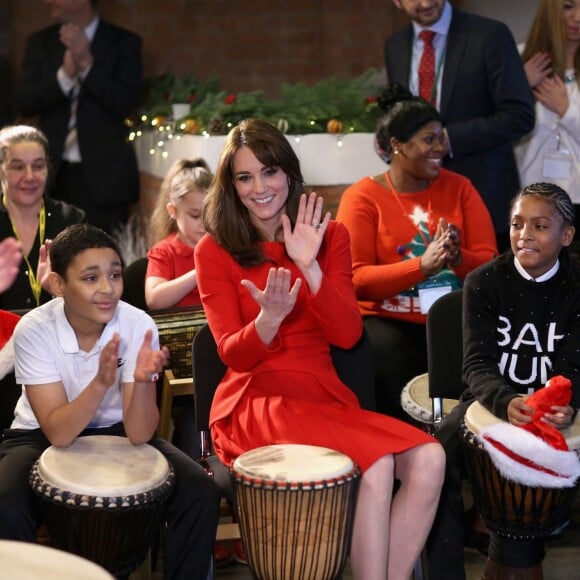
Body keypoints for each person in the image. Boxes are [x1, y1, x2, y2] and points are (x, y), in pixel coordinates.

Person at [194, 118, 445, 580]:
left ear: (289, 173)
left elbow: (349, 335)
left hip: (323, 396)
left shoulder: (331, 238)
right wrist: (267, 319)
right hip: (256, 400)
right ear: (231, 185)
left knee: (430, 458)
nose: (259, 188)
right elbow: (232, 354)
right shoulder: (214, 250)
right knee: (377, 464)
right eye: (244, 177)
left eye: (269, 172)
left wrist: (309, 267)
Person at [0, 223, 220, 580]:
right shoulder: (35, 329)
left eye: (115, 275)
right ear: (58, 284)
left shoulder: (137, 324)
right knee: (6, 506)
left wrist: (139, 380)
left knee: (200, 493)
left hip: (119, 431)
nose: (108, 289)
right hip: (37, 433)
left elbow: (138, 433)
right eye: (90, 278)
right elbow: (58, 431)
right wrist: (102, 382)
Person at [429, 182, 580, 579]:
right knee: (433, 457)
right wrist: (505, 400)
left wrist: (568, 401)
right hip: (488, 402)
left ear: (566, 236)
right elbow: (476, 364)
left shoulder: (577, 285)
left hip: (557, 409)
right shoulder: (483, 282)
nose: (525, 234)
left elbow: (574, 366)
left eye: (540, 225)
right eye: (517, 224)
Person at [336, 84, 497, 420]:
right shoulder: (362, 197)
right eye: (429, 139)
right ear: (397, 145)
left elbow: (490, 263)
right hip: (387, 320)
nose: (440, 147)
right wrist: (421, 266)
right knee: (385, 354)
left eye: (441, 138)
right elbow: (355, 277)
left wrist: (457, 258)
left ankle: (462, 455)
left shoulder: (460, 187)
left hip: (453, 317)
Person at [385, 0, 535, 252]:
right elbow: (402, 116)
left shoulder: (490, 35)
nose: (425, 3)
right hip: (421, 211)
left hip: (484, 201)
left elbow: (520, 115)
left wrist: (447, 139)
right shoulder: (395, 46)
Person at [16, 0, 141, 235]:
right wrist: (64, 76)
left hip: (105, 178)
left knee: (102, 258)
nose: (48, 1)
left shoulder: (124, 42)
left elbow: (126, 103)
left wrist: (87, 64)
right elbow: (25, 103)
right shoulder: (40, 42)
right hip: (51, 174)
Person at [0, 125, 86, 311]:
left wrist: (59, 291)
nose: (29, 176)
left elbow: (91, 298)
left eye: (38, 166)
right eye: (18, 167)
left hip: (55, 336)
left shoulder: (71, 221)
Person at [515, 0, 580, 237]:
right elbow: (493, 125)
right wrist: (519, 86)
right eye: (568, 7)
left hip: (576, 200)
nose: (578, 17)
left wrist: (567, 110)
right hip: (524, 197)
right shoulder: (518, 58)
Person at [145, 158, 213, 311]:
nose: (204, 223)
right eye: (195, 215)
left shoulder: (222, 246)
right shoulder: (164, 252)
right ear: (173, 211)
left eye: (210, 215)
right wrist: (199, 273)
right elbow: (154, 299)